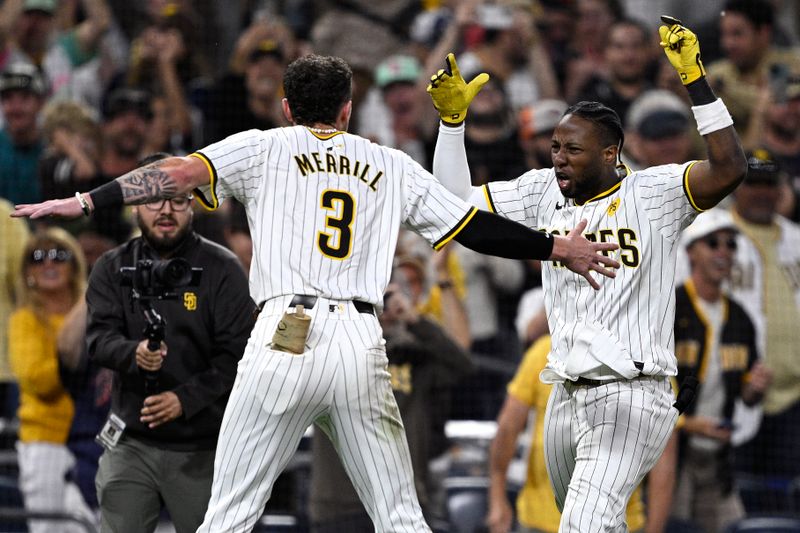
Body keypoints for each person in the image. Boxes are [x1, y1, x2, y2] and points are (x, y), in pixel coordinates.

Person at [11, 54, 620, 532]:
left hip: (284, 335)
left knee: (229, 515)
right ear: (349, 110)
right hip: (361, 338)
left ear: (285, 107)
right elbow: (471, 226)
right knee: (401, 517)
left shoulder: (262, 146)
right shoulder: (391, 162)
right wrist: (556, 247)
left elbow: (172, 174)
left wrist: (88, 199)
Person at [427, 14, 747, 531]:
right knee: (590, 525)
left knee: (582, 527)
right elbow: (452, 206)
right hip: (565, 392)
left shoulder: (655, 192)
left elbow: (730, 169)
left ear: (611, 153)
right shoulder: (541, 191)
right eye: (555, 148)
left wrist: (696, 82)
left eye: (572, 150)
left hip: (632, 390)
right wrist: (451, 127)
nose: (559, 160)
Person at [85, 153, 256, 532]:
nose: (166, 210)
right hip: (131, 441)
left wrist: (185, 399)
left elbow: (240, 356)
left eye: (177, 198)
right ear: (134, 207)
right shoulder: (111, 267)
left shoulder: (223, 269)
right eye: (153, 200)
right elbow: (97, 341)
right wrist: (134, 355)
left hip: (205, 446)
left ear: (193, 203)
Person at [308, 257, 474, 530]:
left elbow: (464, 367)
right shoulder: (328, 351)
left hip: (403, 503)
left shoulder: (416, 357)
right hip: (339, 504)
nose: (379, 306)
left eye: (386, 296)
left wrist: (416, 320)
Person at [672, 208, 772, 533]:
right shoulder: (669, 308)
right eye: (713, 243)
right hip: (672, 456)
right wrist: (687, 424)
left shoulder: (741, 319)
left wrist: (754, 389)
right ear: (690, 252)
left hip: (720, 459)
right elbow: (646, 390)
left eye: (731, 245)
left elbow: (747, 395)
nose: (724, 252)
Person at [8, 227, 94, 533]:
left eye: (59, 255)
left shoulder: (98, 312)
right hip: (47, 441)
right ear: (27, 271)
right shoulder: (24, 320)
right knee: (48, 528)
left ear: (74, 264)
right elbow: (39, 381)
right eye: (37, 257)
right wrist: (70, 339)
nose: (48, 264)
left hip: (96, 441)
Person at [727, 150, 800, 492]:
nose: (761, 192)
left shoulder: (796, 237)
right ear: (736, 187)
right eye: (752, 183)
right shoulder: (712, 238)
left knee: (788, 499)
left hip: (793, 398)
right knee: (738, 494)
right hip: (735, 394)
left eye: (768, 184)